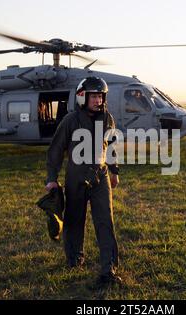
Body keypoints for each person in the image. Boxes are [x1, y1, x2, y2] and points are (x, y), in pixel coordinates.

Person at [45, 76, 122, 285]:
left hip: (101, 176)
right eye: (94, 97)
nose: (98, 101)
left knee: (105, 221)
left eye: (101, 96)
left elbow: (112, 145)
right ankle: (74, 258)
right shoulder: (70, 121)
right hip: (76, 176)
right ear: (82, 97)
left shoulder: (108, 119)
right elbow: (55, 151)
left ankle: (109, 269)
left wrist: (114, 171)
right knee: (74, 219)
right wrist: (51, 179)